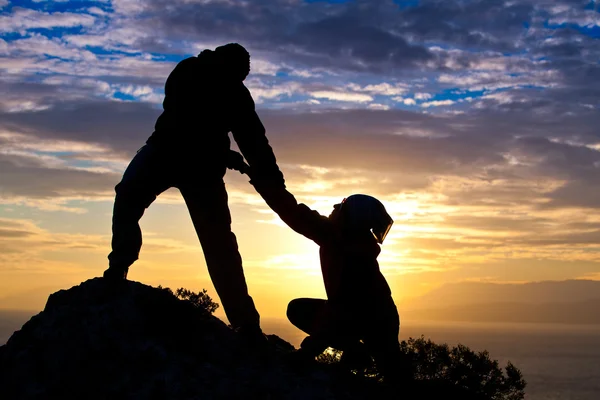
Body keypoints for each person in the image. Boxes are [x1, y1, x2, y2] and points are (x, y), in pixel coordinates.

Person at [103, 43, 286, 344]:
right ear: (226, 64)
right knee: (128, 195)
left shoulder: (235, 92)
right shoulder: (189, 71)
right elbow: (185, 118)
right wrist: (227, 154)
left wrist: (270, 175)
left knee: (220, 247)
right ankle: (119, 265)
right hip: (167, 152)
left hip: (202, 169)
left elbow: (253, 140)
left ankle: (245, 323)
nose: (238, 82)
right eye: (237, 75)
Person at [230, 156, 407, 380]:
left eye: (342, 206)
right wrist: (258, 178)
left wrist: (305, 354)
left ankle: (359, 356)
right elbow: (292, 211)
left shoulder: (348, 253)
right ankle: (357, 352)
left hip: (377, 322)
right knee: (298, 309)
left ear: (350, 219)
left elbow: (338, 311)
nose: (334, 207)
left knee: (396, 379)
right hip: (377, 318)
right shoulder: (337, 236)